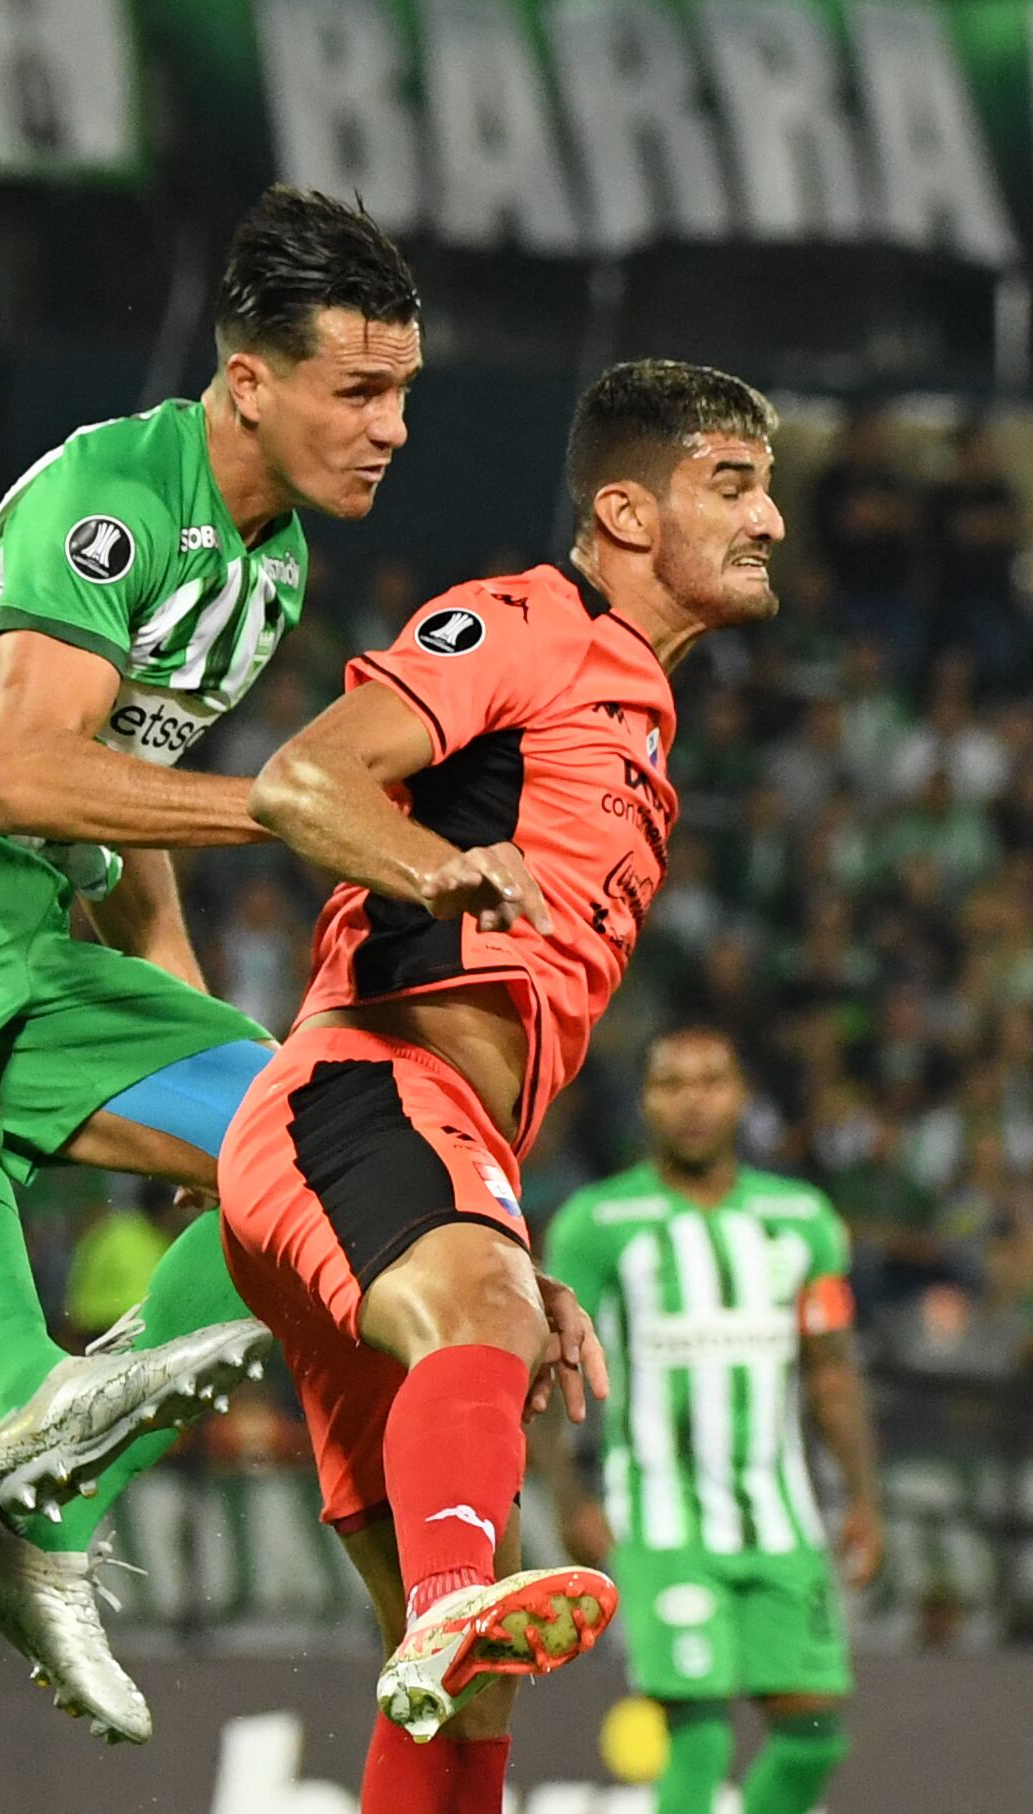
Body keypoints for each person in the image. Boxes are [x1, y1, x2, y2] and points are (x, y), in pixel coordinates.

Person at [0, 185, 422, 1742]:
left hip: (37, 914)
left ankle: (38, 1520)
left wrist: (178, 1008)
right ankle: (26, 1390)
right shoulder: (118, 484)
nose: (388, 428)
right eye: (358, 391)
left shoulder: (278, 565)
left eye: (404, 396)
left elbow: (119, 798)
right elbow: (31, 769)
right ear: (253, 379)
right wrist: (284, 806)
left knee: (310, 1143)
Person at [218, 358, 788, 1812]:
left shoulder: (646, 718)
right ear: (624, 508)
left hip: (420, 1146)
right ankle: (459, 1585)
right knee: (465, 1598)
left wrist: (508, 1245)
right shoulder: (529, 624)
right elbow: (300, 781)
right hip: (356, 1089)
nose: (772, 517)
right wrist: (431, 864)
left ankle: (453, 1603)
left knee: (466, 1692)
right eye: (733, 482)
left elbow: (503, 1049)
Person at [536, 1028, 882, 1814]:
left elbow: (830, 1370)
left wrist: (864, 1501)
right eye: (672, 1084)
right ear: (647, 1101)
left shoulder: (803, 1219)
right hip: (659, 1519)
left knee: (814, 1734)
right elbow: (550, 1370)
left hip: (780, 1517)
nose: (693, 1101)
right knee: (699, 1733)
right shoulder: (597, 1222)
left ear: (742, 1098)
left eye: (712, 1082)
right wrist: (566, 1499)